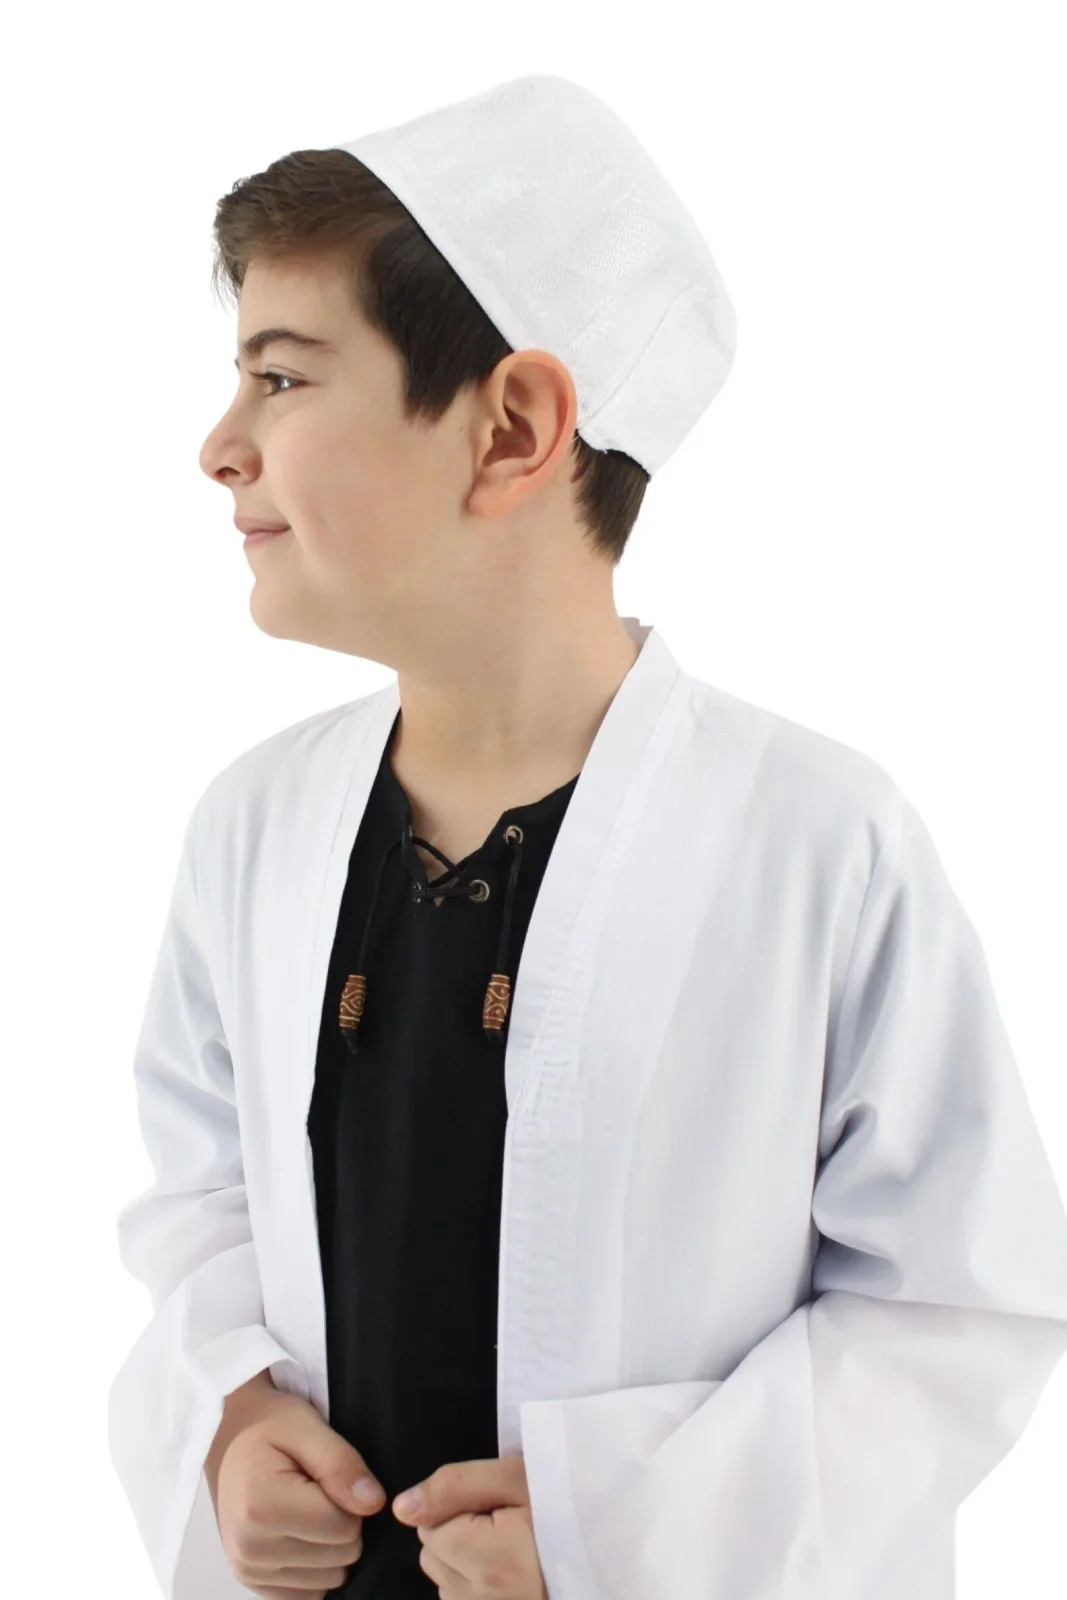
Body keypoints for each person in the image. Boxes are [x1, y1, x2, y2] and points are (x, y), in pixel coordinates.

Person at [108, 75, 1067, 1600]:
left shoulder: (815, 845)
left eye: (281, 378)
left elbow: (950, 1312)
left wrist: (620, 1537)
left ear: (512, 428)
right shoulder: (253, 828)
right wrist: (227, 1420)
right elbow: (199, 1201)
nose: (219, 447)